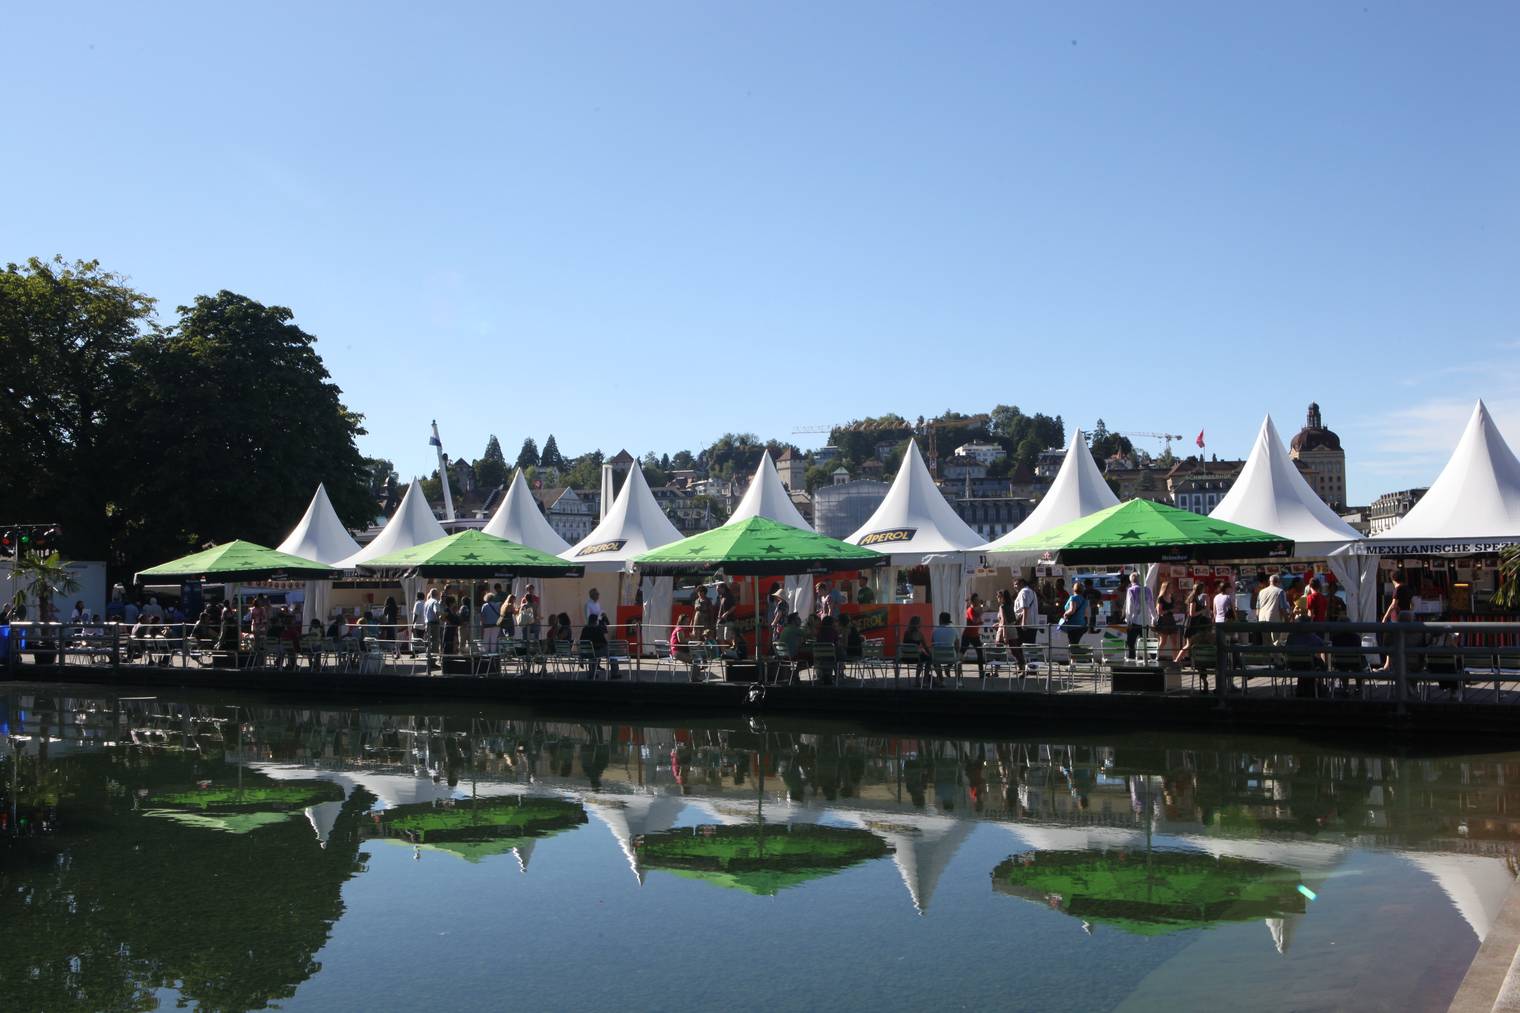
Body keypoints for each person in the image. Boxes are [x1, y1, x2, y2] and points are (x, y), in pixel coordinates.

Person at [1122, 573, 1154, 661]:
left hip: (1134, 621)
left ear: (1130, 580)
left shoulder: (1131, 590)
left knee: (1131, 642)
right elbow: (1152, 605)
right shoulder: (1147, 590)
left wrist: (1128, 621)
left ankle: (1132, 659)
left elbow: (1129, 607)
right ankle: (1148, 658)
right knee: (1145, 641)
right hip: (1146, 621)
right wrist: (1154, 618)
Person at [1256, 574, 1289, 649]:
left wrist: (1258, 619)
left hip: (1262, 619)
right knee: (1276, 642)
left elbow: (1258, 608)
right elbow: (1282, 608)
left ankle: (1267, 659)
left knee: (1266, 643)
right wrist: (1287, 620)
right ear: (1278, 582)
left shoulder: (1261, 592)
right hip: (1274, 620)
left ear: (1269, 582)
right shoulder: (1280, 591)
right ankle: (1276, 660)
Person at [898, 614, 931, 684]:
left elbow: (905, 645)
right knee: (928, 659)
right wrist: (930, 654)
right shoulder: (920, 634)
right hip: (916, 658)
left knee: (921, 656)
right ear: (918, 624)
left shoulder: (906, 633)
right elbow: (925, 647)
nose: (921, 624)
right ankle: (924, 679)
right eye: (920, 622)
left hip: (905, 657)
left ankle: (917, 680)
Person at [930, 611, 959, 685]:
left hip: (937, 657)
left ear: (941, 620)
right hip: (951, 658)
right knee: (959, 659)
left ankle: (942, 680)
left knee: (936, 662)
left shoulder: (935, 630)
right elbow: (957, 645)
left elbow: (932, 644)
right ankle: (958, 681)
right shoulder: (954, 630)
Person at [1059, 581, 1089, 651]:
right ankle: (1082, 657)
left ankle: (1085, 655)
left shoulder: (1073, 598)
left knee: (1072, 645)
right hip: (1081, 625)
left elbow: (1072, 610)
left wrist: (1065, 614)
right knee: (1075, 644)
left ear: (1074, 589)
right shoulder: (1085, 600)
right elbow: (1086, 613)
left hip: (1073, 625)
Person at [1154, 581, 1180, 659]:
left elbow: (1172, 608)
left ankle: (1175, 659)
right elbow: (1159, 612)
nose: (1172, 589)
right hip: (1164, 620)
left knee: (1174, 641)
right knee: (1163, 641)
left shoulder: (1172, 597)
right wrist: (1170, 610)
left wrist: (1175, 610)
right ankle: (1157, 657)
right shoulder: (1161, 598)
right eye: (1170, 587)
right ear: (1166, 588)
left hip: (1171, 620)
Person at [962, 593, 986, 677]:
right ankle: (949, 666)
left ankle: (981, 673)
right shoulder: (970, 610)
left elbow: (980, 613)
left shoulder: (976, 610)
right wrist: (980, 621)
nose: (978, 602)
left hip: (975, 635)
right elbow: (975, 620)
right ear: (972, 601)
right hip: (968, 635)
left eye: (978, 600)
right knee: (961, 653)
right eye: (976, 600)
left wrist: (982, 605)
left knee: (980, 653)